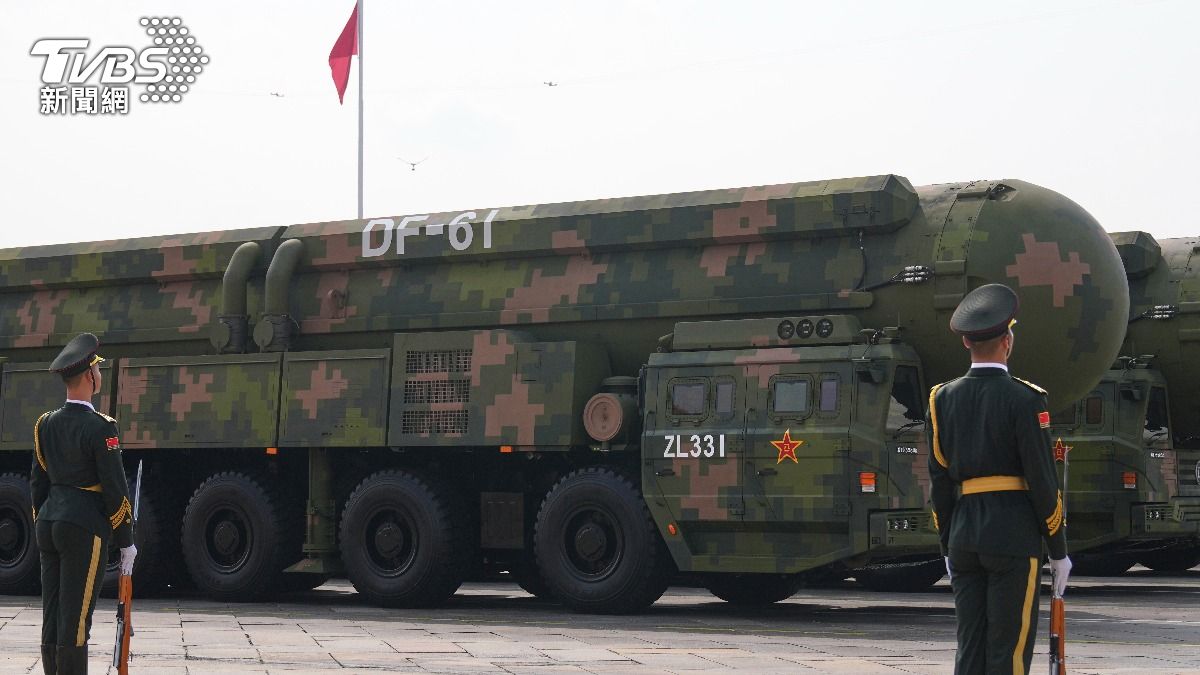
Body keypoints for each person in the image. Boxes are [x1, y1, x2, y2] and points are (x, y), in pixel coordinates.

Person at [926, 284, 1072, 675]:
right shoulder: (1026, 399)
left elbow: (940, 481)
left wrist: (947, 544)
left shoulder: (941, 399)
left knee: (969, 649)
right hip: (1012, 537)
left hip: (963, 537)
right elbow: (1042, 479)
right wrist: (1057, 549)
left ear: (965, 342)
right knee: (1008, 651)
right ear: (1008, 340)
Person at [30, 333, 136, 674]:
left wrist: (44, 520)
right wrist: (126, 541)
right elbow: (115, 488)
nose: (99, 374)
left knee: (52, 614)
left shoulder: (45, 423)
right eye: (97, 369)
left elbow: (38, 484)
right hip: (83, 527)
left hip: (49, 524)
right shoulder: (101, 427)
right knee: (76, 619)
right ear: (90, 376)